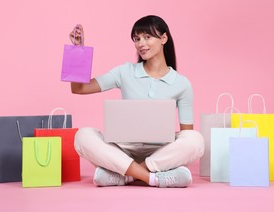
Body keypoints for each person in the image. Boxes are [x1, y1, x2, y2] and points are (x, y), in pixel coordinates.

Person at [71, 15, 204, 188]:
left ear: (164, 38)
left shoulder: (182, 84)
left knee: (195, 139)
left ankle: (125, 176)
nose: (141, 43)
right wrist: (77, 51)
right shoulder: (124, 72)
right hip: (123, 150)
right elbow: (79, 88)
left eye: (147, 37)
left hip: (159, 152)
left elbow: (187, 135)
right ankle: (152, 178)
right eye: (137, 38)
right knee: (83, 136)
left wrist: (173, 153)